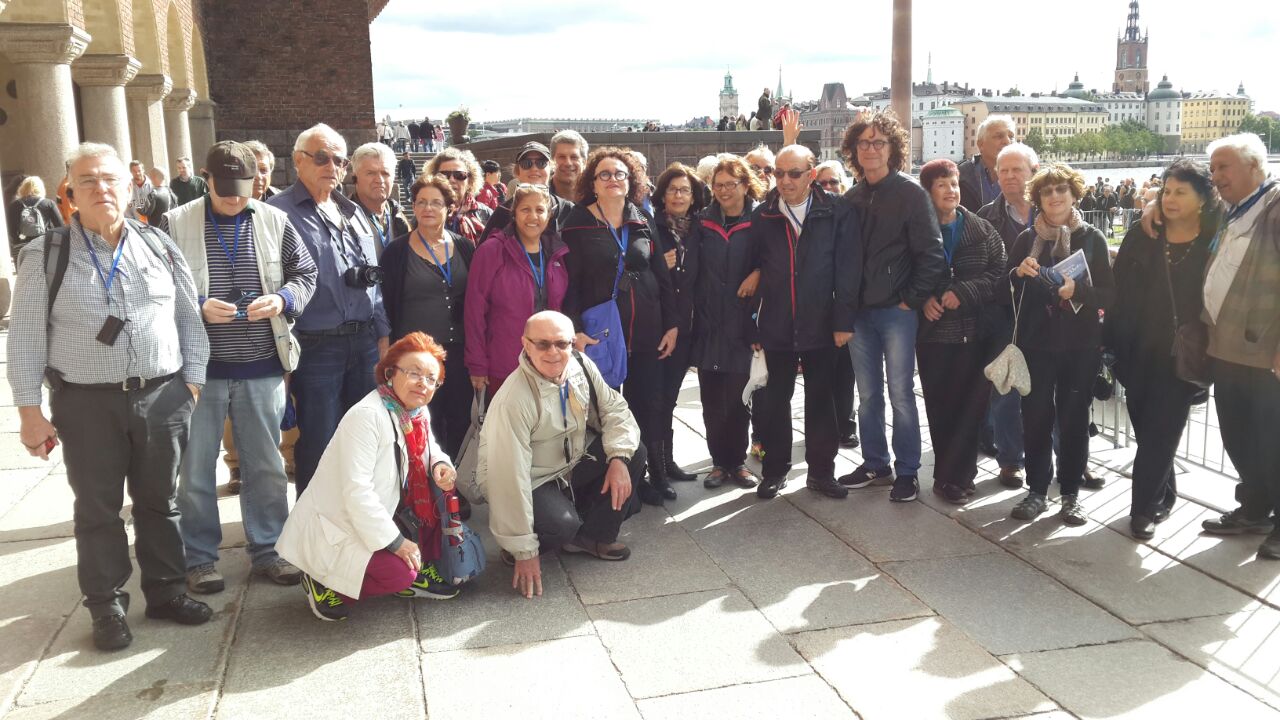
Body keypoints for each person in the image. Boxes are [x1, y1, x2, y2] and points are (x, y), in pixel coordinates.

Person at [8, 142, 212, 651]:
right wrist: (30, 412)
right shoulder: (45, 254)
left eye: (110, 179)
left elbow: (189, 319)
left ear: (130, 188)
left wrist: (190, 385)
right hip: (86, 404)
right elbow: (27, 337)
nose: (101, 188)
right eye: (88, 181)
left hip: (162, 397)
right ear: (70, 193)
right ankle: (107, 606)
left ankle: (166, 592)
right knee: (98, 510)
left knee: (160, 502)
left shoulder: (159, 244)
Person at [165, 141, 318, 593]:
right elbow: (155, 285)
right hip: (199, 370)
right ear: (206, 179)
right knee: (195, 470)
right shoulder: (174, 222)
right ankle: (199, 559)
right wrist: (196, 305)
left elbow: (305, 274)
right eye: (225, 188)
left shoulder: (274, 219)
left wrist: (283, 299)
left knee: (266, 465)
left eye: (243, 188)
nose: (235, 198)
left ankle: (269, 549)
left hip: (262, 364)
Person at [276, 332, 462, 621]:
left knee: (435, 492)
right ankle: (321, 580)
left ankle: (398, 564)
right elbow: (357, 492)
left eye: (431, 379)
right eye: (414, 373)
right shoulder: (366, 416)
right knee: (401, 575)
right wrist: (396, 543)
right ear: (390, 373)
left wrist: (439, 463)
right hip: (341, 525)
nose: (423, 384)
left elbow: (430, 448)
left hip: (384, 510)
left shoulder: (415, 411)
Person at [478, 312, 644, 598]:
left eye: (561, 343)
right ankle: (520, 544)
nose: (553, 352)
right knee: (560, 525)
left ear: (572, 343)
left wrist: (618, 459)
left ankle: (591, 537)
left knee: (633, 452)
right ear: (526, 344)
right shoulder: (513, 400)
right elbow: (508, 477)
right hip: (530, 478)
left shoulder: (581, 364)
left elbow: (615, 409)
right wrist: (524, 550)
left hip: (569, 462)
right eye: (542, 344)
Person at [268, 123, 390, 494]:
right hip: (316, 346)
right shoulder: (277, 213)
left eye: (339, 160)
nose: (331, 166)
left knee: (364, 438)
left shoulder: (353, 211)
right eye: (321, 157)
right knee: (319, 440)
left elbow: (374, 280)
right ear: (298, 160)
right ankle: (314, 520)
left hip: (364, 342)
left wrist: (382, 335)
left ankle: (357, 513)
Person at [1106, 159, 1217, 540]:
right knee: (1148, 430)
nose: (1169, 198)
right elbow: (1117, 288)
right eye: (1166, 191)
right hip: (1136, 351)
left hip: (1181, 354)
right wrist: (1109, 342)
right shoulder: (1144, 234)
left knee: (1161, 433)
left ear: (1202, 198)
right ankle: (1165, 494)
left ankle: (1142, 510)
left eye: (1180, 192)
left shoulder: (1214, 238)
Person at [562, 147, 679, 505]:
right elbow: (570, 283)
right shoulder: (578, 224)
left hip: (647, 327)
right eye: (605, 174)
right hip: (600, 333)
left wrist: (671, 325)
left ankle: (654, 475)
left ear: (630, 181)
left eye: (620, 174)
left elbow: (661, 275)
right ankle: (617, 478)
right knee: (607, 408)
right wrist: (575, 329)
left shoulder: (641, 219)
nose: (613, 179)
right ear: (593, 182)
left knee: (649, 402)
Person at [840, 111, 946, 502]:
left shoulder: (910, 194)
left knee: (901, 393)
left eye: (878, 142)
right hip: (860, 313)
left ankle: (908, 471)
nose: (870, 149)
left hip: (896, 312)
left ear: (892, 149)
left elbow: (932, 253)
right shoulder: (851, 198)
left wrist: (909, 300)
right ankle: (875, 464)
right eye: (863, 143)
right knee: (868, 395)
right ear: (854, 150)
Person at [747, 144, 860, 500]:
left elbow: (848, 268)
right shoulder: (764, 214)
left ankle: (822, 472)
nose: (785, 181)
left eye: (794, 173)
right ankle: (774, 471)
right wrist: (753, 324)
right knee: (774, 401)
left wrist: (843, 320)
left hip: (822, 321)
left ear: (811, 175)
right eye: (778, 173)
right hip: (777, 322)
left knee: (822, 400)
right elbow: (752, 267)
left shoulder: (836, 210)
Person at [1008, 162, 1114, 525]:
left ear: (1074, 195)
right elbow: (1007, 289)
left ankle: (1070, 494)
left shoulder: (1092, 238)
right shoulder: (1026, 240)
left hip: (1079, 346)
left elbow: (1109, 295)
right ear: (1037, 198)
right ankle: (1037, 491)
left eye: (1061, 190)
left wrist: (1077, 291)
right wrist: (1017, 274)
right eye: (1047, 191)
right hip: (1036, 346)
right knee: (1035, 419)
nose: (1054, 197)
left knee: (1074, 420)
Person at [1197, 133, 1280, 556]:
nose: (1216, 176)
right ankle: (1255, 508)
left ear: (1254, 166)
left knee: (1273, 439)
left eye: (1223, 167)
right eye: (1212, 169)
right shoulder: (1233, 210)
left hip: (1265, 353)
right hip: (1227, 347)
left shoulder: (1275, 208)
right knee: (1238, 435)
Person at [915, 159, 1006, 503]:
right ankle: (946, 476)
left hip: (974, 333)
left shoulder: (982, 230)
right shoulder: (916, 231)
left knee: (971, 409)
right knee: (940, 407)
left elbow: (999, 272)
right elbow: (903, 270)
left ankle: (960, 477)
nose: (950, 191)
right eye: (941, 185)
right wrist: (923, 299)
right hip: (935, 335)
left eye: (953, 184)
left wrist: (964, 292)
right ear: (928, 192)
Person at [380, 175, 475, 459]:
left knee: (460, 420)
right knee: (421, 422)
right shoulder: (397, 251)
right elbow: (384, 304)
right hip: (415, 357)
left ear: (449, 208)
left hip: (458, 353)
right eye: (421, 202)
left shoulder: (465, 247)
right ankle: (423, 482)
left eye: (435, 202)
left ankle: (454, 480)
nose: (428, 208)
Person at [220, 139, 290, 496]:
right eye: (252, 171)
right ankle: (236, 463)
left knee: (283, 402)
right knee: (233, 407)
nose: (259, 177)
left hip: (279, 328)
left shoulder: (282, 209)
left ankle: (287, 456)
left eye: (264, 170)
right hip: (230, 337)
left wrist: (284, 299)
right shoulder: (218, 208)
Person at [692, 156, 766, 489]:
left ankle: (737, 462)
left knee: (738, 398)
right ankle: (718, 463)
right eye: (718, 185)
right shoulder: (702, 221)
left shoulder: (760, 219)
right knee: (711, 399)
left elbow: (775, 258)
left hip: (743, 321)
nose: (723, 191)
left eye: (730, 185)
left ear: (745, 185)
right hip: (709, 322)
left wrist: (758, 273)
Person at [465, 183, 569, 395]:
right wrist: (477, 363)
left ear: (549, 215)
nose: (533, 216)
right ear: (514, 214)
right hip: (506, 363)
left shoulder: (556, 252)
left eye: (539, 210)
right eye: (525, 209)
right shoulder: (492, 250)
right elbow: (474, 310)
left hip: (548, 362)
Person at [977, 142, 1040, 489]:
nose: (1010, 176)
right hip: (1003, 315)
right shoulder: (986, 217)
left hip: (1047, 316)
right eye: (1003, 171)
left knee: (1052, 393)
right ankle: (1010, 461)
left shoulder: (1053, 208)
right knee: (1005, 390)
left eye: (1018, 169)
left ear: (1033, 172)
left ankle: (1065, 459)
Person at [651, 163, 707, 485]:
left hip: (688, 328)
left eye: (685, 190)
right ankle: (657, 468)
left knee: (670, 398)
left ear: (693, 196)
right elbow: (635, 268)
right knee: (657, 399)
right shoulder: (651, 226)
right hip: (660, 327)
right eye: (672, 189)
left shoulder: (700, 229)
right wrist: (657, 263)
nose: (678, 195)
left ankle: (667, 462)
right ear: (662, 195)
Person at [816, 160, 858, 448]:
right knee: (821, 375)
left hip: (846, 305)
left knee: (846, 372)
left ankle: (846, 424)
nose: (829, 187)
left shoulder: (850, 212)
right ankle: (823, 427)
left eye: (834, 182)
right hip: (817, 308)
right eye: (823, 183)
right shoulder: (812, 214)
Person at [477, 142, 575, 245]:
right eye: (526, 163)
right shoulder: (503, 213)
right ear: (517, 171)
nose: (534, 168)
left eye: (541, 163)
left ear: (551, 168)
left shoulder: (567, 210)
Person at [349, 142, 412, 260]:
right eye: (370, 173)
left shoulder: (399, 216)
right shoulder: (344, 220)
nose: (379, 180)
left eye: (385, 173)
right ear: (355, 177)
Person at [424, 147, 492, 243]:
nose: (451, 180)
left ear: (470, 181)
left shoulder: (486, 214)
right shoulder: (425, 214)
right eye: (444, 175)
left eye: (460, 175)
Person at [958, 115, 1015, 212]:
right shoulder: (960, 176)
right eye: (999, 136)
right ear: (981, 144)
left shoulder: (1026, 177)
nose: (1007, 141)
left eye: (1011, 136)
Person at [7, 175, 64, 255]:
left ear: (22, 188)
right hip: (44, 244)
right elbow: (60, 226)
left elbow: (10, 229)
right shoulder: (48, 203)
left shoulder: (14, 205)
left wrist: (18, 241)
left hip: (23, 247)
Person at [550, 130, 589, 203]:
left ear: (584, 162)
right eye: (561, 157)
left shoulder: (597, 195)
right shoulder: (540, 196)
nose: (568, 163)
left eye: (574, 157)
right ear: (552, 161)